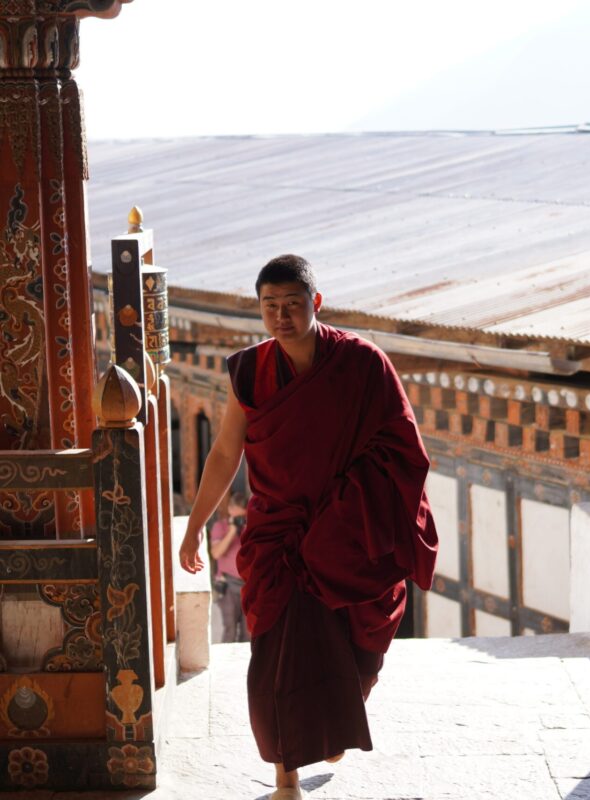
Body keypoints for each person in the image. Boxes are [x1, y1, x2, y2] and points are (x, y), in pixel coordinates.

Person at [179, 254, 438, 800]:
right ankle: (286, 778)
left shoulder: (363, 363)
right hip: (280, 536)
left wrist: (348, 507)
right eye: (269, 307)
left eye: (292, 305)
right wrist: (194, 526)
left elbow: (403, 447)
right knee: (279, 655)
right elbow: (226, 452)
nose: (281, 317)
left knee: (362, 651)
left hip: (348, 532)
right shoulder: (249, 371)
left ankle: (339, 717)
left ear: (315, 303)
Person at [209, 491, 250, 643]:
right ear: (230, 510)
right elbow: (216, 553)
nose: (241, 520)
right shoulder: (221, 527)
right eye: (238, 517)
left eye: (243, 517)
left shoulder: (251, 529)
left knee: (249, 634)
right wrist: (233, 530)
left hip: (249, 586)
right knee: (229, 631)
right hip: (228, 585)